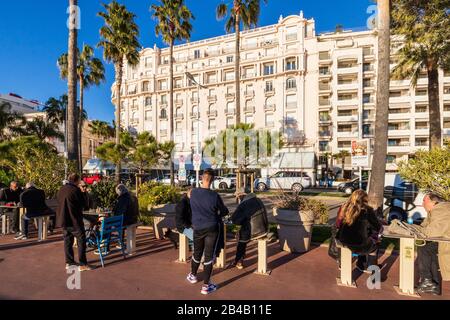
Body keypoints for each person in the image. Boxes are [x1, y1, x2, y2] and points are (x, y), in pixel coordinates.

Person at [186, 169, 229, 295]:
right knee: (209, 256)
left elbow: (189, 199)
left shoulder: (193, 192)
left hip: (197, 227)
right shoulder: (215, 196)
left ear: (201, 178)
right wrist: (217, 213)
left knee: (197, 252)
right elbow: (225, 211)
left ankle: (193, 275)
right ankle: (206, 285)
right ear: (213, 180)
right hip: (211, 228)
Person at [337, 189, 382, 272]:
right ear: (365, 199)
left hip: (344, 241)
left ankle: (360, 263)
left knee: (362, 236)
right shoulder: (368, 210)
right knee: (375, 244)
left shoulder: (344, 208)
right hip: (361, 244)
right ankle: (372, 269)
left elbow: (338, 224)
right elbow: (377, 227)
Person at [56, 173, 93, 272]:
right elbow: (84, 205)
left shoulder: (61, 189)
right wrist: (84, 193)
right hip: (74, 220)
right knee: (81, 240)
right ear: (76, 180)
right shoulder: (76, 190)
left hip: (63, 219)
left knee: (68, 241)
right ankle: (82, 264)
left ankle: (69, 262)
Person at [415, 193, 450, 296]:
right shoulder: (434, 210)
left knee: (425, 249)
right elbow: (424, 227)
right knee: (429, 250)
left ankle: (427, 281)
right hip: (444, 241)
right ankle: (433, 285)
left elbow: (431, 232)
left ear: (433, 202)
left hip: (446, 242)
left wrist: (413, 230)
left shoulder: (441, 210)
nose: (422, 204)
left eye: (424, 201)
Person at [230, 193, 269, 269]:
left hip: (253, 231)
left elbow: (236, 220)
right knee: (244, 226)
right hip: (264, 229)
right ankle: (240, 259)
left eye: (237, 197)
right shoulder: (258, 200)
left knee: (241, 239)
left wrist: (232, 220)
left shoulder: (244, 204)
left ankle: (238, 261)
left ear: (241, 196)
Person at [111, 184, 139, 249]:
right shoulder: (133, 197)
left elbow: (119, 213)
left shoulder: (122, 199)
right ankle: (120, 242)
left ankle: (106, 247)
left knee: (107, 224)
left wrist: (113, 210)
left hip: (127, 220)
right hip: (134, 219)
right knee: (121, 220)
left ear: (119, 192)